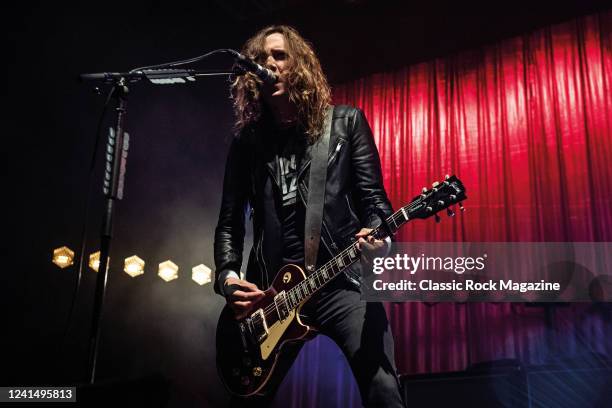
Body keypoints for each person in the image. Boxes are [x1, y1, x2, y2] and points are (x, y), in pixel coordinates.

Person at [214, 25, 404, 407]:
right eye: (261, 59)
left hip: (339, 281)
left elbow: (375, 204)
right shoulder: (247, 144)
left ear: (300, 66)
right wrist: (227, 278)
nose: (269, 64)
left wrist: (379, 241)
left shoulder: (345, 123)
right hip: (271, 294)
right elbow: (230, 222)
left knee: (383, 389)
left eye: (280, 56)